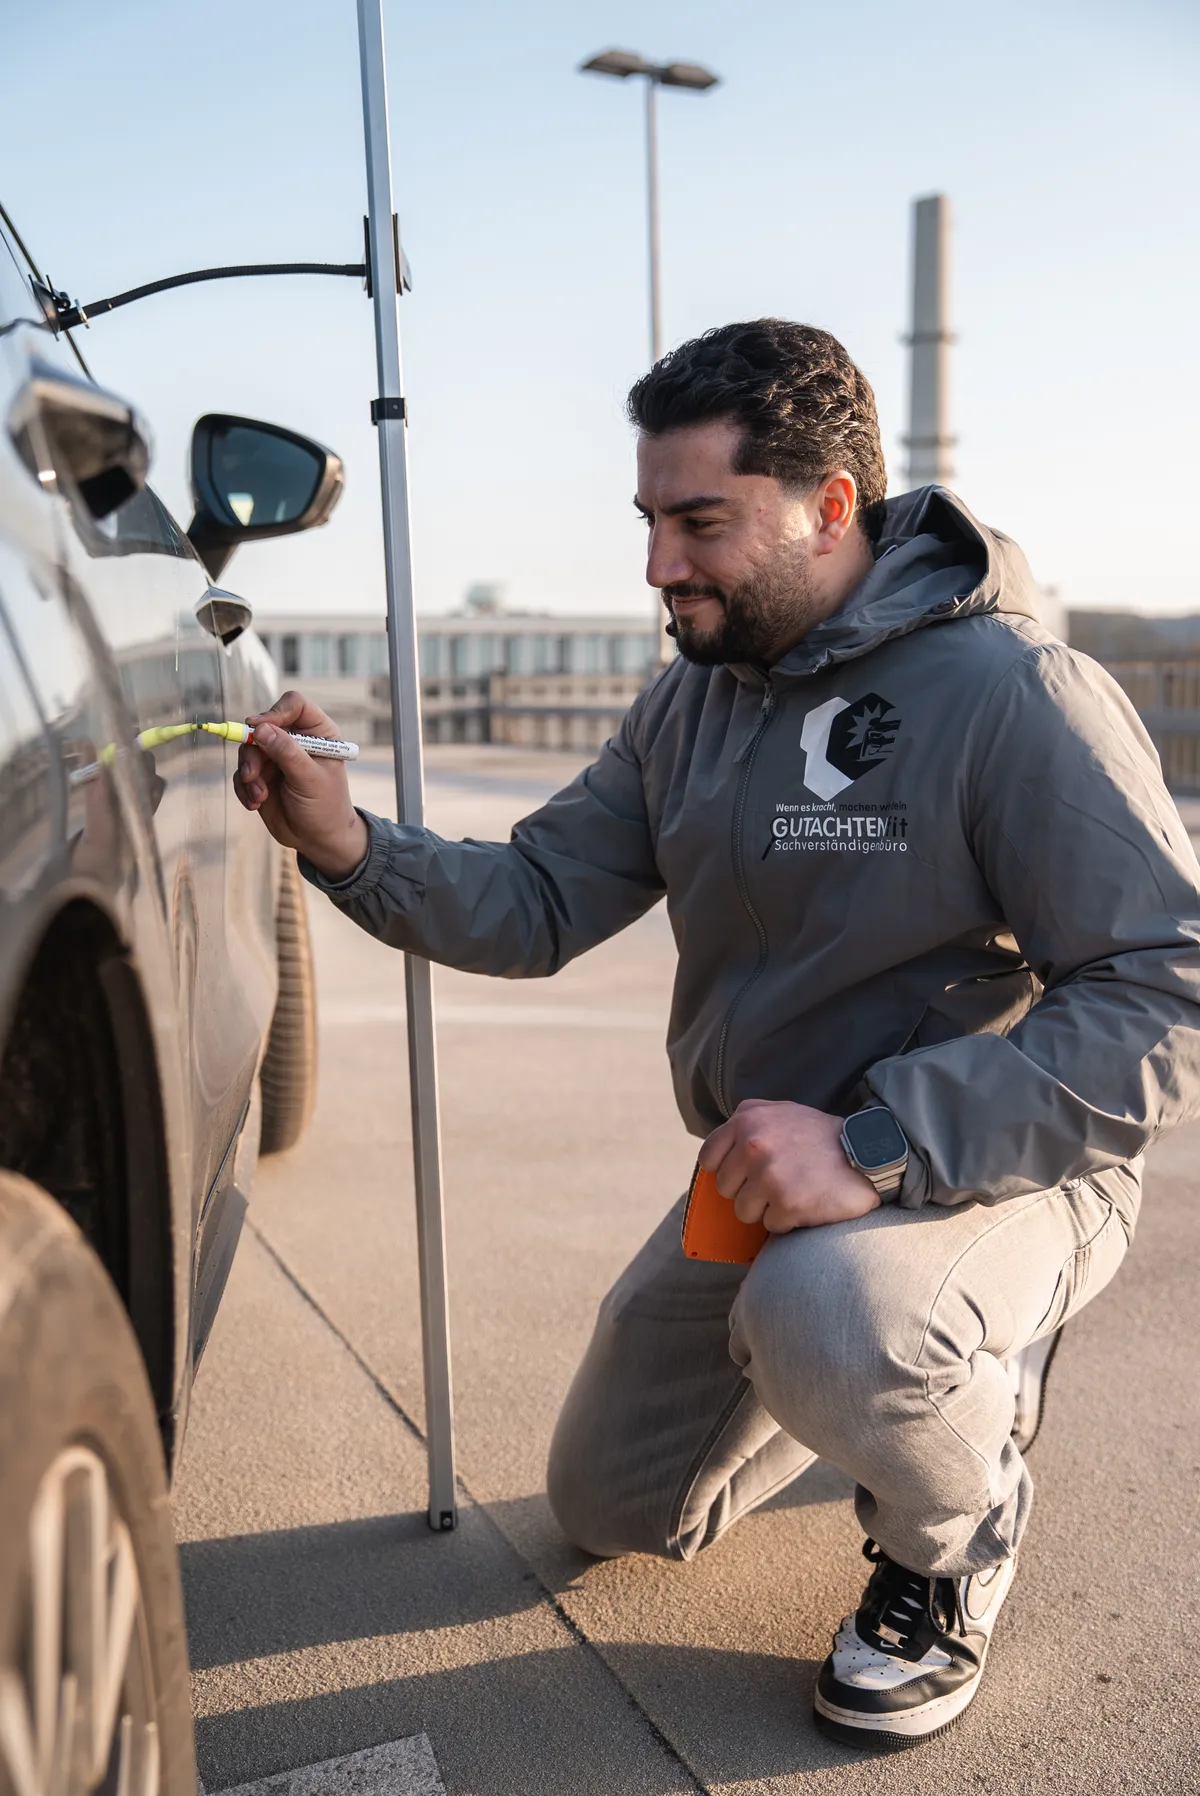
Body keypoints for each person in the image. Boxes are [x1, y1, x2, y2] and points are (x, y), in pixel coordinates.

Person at [234, 320, 1200, 1750]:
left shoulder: (1014, 694)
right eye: (648, 520)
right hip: (764, 1181)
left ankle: (956, 1527)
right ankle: (886, 1372)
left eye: (699, 523)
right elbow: (543, 897)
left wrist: (877, 1144)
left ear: (829, 506)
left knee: (837, 1322)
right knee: (614, 1505)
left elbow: (1163, 992)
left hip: (1002, 1167)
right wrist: (349, 844)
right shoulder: (691, 702)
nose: (657, 565)